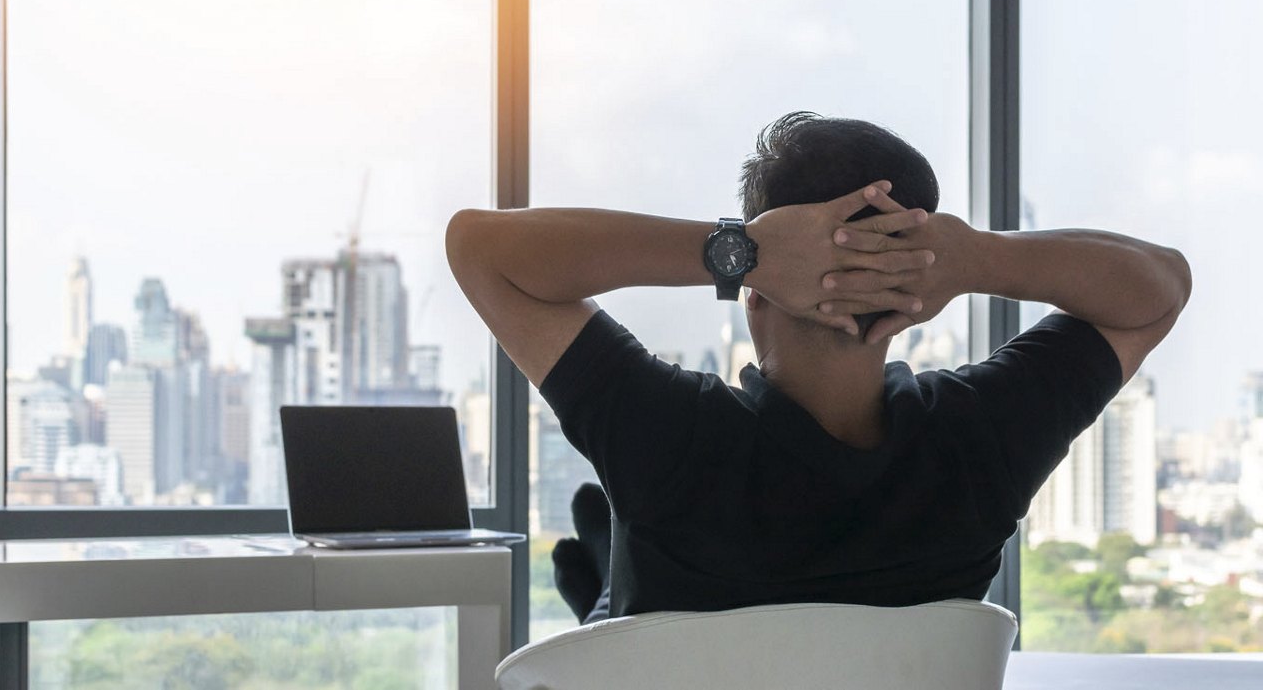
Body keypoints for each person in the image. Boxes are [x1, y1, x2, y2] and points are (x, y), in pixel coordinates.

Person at [445, 111, 1191, 624]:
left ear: (756, 299)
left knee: (616, 569)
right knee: (615, 558)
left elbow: (479, 248)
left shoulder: (670, 437)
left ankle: (615, 598)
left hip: (667, 626)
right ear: (915, 292)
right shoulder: (981, 441)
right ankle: (614, 590)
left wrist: (737, 251)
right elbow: (1162, 286)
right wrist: (979, 257)